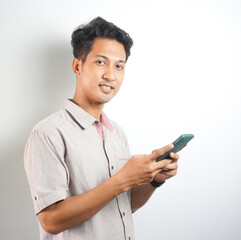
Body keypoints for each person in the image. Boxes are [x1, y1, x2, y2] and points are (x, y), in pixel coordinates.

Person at [23, 17, 179, 240]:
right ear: (78, 66)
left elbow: (123, 206)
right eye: (101, 62)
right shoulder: (48, 132)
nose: (110, 75)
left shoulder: (117, 132)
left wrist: (154, 179)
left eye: (119, 66)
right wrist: (122, 179)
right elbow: (50, 220)